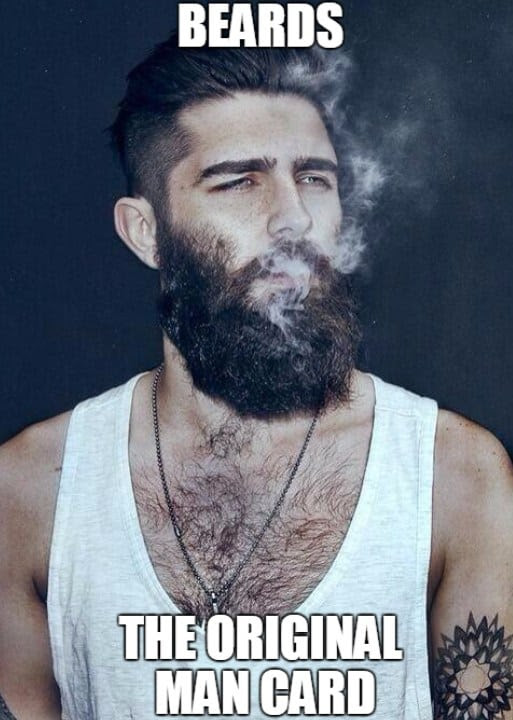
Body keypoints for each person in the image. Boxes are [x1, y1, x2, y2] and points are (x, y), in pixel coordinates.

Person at [1, 34, 513, 720]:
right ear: (145, 232)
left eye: (315, 179)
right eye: (239, 181)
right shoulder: (31, 490)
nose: (293, 218)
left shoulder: (455, 475)